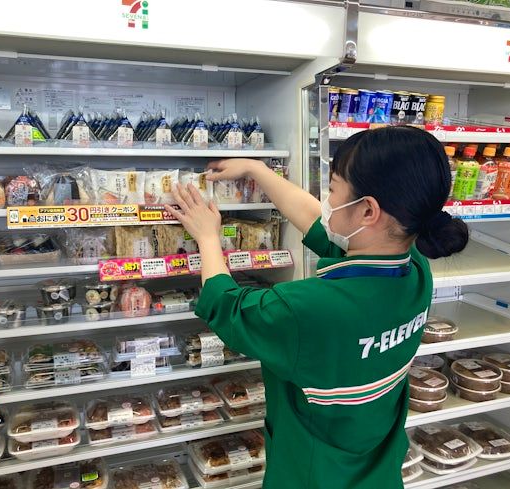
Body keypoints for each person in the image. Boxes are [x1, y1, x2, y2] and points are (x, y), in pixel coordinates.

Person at [165, 126, 469, 489]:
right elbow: (318, 222)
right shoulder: (415, 270)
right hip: (378, 469)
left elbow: (227, 306)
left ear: (368, 211)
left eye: (333, 189)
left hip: (312, 475)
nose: (326, 201)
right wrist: (257, 170)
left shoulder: (309, 307)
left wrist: (207, 236)